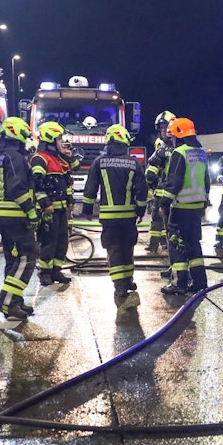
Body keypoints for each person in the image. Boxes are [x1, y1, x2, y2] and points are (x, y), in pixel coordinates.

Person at [81, 124, 149, 311]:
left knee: (114, 250)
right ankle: (128, 281)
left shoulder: (99, 162)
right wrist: (141, 211)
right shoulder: (133, 163)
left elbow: (90, 188)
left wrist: (87, 210)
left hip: (109, 218)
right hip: (128, 217)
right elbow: (142, 190)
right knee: (128, 249)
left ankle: (120, 286)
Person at [0, 116, 40, 319]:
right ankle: (8, 301)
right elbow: (17, 187)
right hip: (16, 214)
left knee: (12, 259)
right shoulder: (16, 158)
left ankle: (15, 300)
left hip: (1, 214)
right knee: (27, 257)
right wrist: (31, 211)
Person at [156, 117, 210, 295]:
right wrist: (204, 204)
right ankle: (200, 282)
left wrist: (164, 203)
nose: (172, 140)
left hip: (181, 208)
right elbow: (206, 181)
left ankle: (179, 283)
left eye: (173, 137)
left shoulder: (179, 153)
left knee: (176, 244)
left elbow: (174, 182)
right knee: (194, 244)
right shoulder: (201, 153)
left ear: (179, 135)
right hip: (196, 207)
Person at [31, 121, 75, 286]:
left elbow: (67, 182)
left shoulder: (59, 159)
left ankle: (57, 271)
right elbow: (37, 183)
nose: (61, 142)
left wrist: (70, 200)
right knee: (48, 241)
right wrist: (44, 203)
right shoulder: (39, 159)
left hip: (62, 208)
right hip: (48, 210)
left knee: (62, 240)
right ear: (50, 140)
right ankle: (45, 273)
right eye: (58, 139)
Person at [143, 110, 175, 254]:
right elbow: (154, 165)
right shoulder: (159, 144)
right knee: (156, 217)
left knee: (170, 221)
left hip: (173, 190)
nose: (163, 130)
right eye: (161, 127)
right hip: (160, 187)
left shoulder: (178, 144)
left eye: (166, 127)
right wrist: (151, 179)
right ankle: (154, 244)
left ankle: (169, 244)